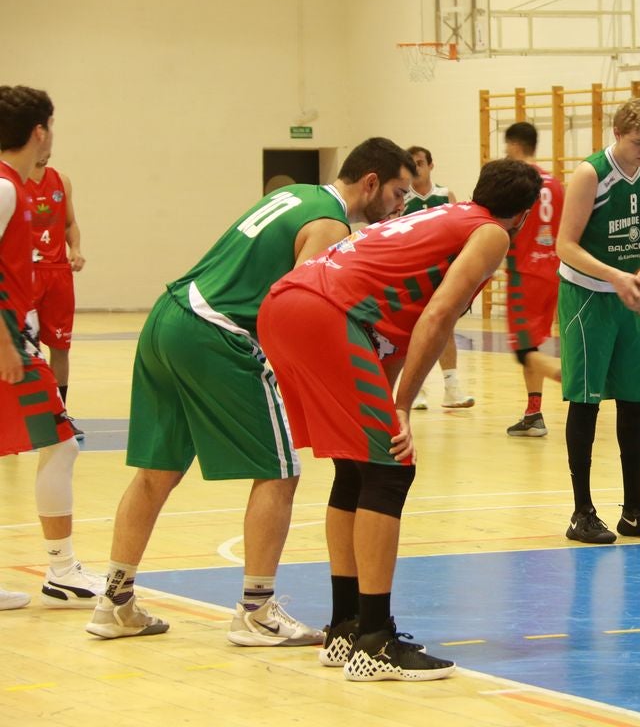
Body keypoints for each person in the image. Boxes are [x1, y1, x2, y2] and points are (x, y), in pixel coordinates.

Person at [84, 138, 414, 646]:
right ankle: (257, 611)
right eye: (397, 192)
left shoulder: (298, 195)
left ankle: (115, 600)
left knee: (156, 473)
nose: (400, 205)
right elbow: (302, 308)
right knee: (279, 471)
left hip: (168, 318)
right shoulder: (331, 225)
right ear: (370, 182)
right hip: (218, 331)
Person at [258, 158, 540, 682]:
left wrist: (389, 401)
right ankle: (376, 640)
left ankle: (345, 630)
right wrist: (403, 406)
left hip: (284, 304)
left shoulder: (443, 216)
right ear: (523, 215)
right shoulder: (491, 234)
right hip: (325, 313)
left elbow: (393, 330)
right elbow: (436, 318)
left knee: (356, 466)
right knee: (391, 467)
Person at [556, 98, 640, 544]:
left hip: (635, 299)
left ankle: (634, 509)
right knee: (586, 402)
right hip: (588, 296)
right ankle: (581, 512)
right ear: (617, 134)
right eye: (637, 141)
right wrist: (616, 276)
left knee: (636, 403)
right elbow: (566, 245)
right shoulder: (590, 173)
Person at [0, 85, 103, 611]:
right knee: (61, 445)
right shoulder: (5, 188)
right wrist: (5, 341)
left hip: (16, 329)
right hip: (7, 340)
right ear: (39, 132)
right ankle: (62, 571)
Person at [502, 122, 565, 437]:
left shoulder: (514, 181)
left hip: (523, 270)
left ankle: (572, 377)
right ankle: (533, 413)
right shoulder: (555, 184)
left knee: (523, 349)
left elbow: (502, 224)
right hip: (554, 271)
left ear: (514, 146)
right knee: (534, 344)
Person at [399, 145, 474, 409]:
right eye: (412, 163)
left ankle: (452, 388)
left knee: (445, 327)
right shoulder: (402, 199)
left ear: (431, 165)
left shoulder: (444, 195)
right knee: (410, 330)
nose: (417, 168)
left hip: (441, 272)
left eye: (420, 162)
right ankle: (415, 389)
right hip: (411, 272)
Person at [26, 155, 85, 438]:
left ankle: (58, 416)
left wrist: (75, 249)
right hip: (24, 273)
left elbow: (70, 224)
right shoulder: (10, 182)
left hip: (58, 274)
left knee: (61, 347)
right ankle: (21, 417)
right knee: (23, 349)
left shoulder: (61, 180)